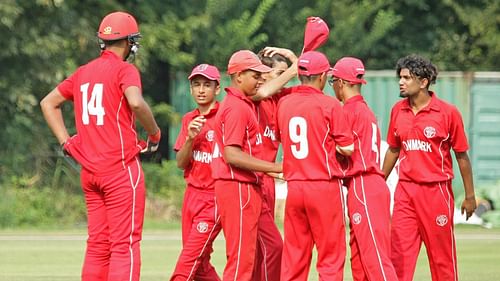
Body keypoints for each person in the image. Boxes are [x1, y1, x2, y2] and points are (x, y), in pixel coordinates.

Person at [40, 11, 161, 281]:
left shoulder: (83, 72)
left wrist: (66, 141)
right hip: (119, 170)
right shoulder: (125, 69)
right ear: (130, 42)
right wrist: (154, 133)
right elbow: (137, 102)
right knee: (124, 246)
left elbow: (48, 103)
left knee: (97, 246)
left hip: (90, 172)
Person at [382, 54, 477, 281]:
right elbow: (394, 149)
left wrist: (470, 196)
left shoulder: (448, 113)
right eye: (400, 77)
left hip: (436, 193)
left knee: (442, 260)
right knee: (399, 257)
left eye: (407, 77)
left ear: (423, 82)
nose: (401, 82)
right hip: (405, 193)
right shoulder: (398, 110)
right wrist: (379, 180)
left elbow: (461, 155)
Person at [276, 51, 354, 281]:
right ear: (322, 77)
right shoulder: (329, 104)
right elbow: (348, 147)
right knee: (330, 257)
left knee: (294, 256)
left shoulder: (284, 103)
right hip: (323, 185)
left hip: (295, 186)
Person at [211, 50, 283, 280]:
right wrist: (276, 168)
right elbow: (231, 154)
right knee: (241, 259)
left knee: (272, 246)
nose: (260, 79)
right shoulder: (236, 107)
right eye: (255, 75)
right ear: (239, 75)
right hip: (236, 185)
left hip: (250, 186)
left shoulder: (246, 104)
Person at [330, 57, 398, 281]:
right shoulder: (364, 110)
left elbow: (338, 150)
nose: (332, 87)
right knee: (359, 259)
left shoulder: (348, 111)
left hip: (363, 183)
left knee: (375, 258)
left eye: (333, 81)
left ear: (341, 82)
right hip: (371, 184)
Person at [246, 47, 298, 281]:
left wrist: (297, 61)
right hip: (250, 182)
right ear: (263, 72)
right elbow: (262, 92)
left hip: (267, 182)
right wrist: (294, 68)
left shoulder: (279, 100)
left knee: (261, 252)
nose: (285, 78)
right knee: (271, 247)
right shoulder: (253, 96)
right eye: (279, 73)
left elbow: (310, 86)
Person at [170, 64, 222, 281]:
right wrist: (190, 137)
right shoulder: (188, 119)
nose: (201, 90)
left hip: (214, 198)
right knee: (199, 265)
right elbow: (181, 163)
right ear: (190, 89)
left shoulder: (224, 117)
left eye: (207, 85)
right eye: (196, 85)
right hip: (192, 195)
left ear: (217, 89)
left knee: (188, 261)